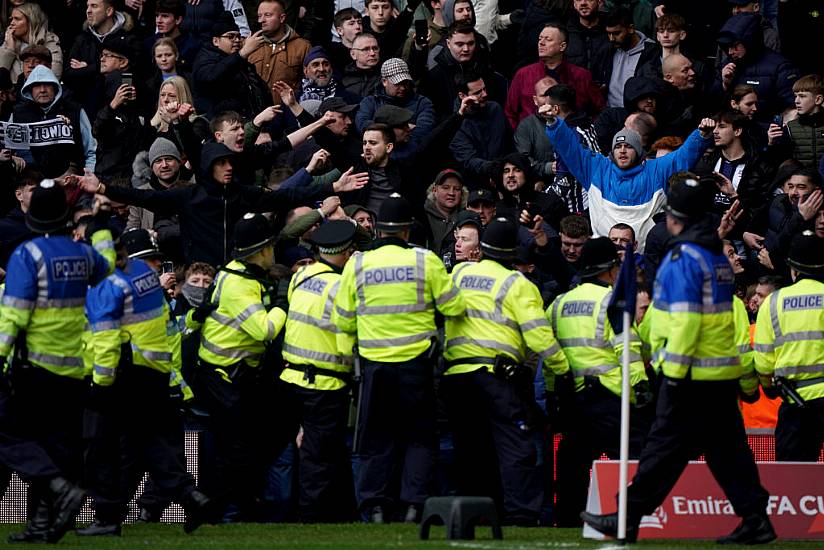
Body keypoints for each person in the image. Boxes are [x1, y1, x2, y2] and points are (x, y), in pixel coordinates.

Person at [581, 175, 774, 545]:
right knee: (727, 452)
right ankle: (755, 518)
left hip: (689, 374)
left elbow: (685, 320)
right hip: (718, 373)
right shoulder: (713, 253)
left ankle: (627, 517)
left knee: (664, 450)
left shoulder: (685, 256)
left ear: (673, 217)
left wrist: (672, 373)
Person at [333, 193, 466, 523]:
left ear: (378, 230)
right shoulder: (426, 261)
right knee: (420, 438)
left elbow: (342, 318)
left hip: (374, 366)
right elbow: (455, 307)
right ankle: (413, 506)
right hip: (416, 364)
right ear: (407, 229)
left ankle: (375, 506)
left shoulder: (358, 263)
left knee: (375, 438)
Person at [0, 180, 115, 543]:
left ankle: (58, 490)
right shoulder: (82, 254)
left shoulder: (26, 255)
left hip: (33, 368)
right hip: (73, 369)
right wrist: (100, 228)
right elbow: (107, 269)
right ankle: (41, 523)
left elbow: (13, 317)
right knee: (53, 446)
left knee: (11, 437)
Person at [80, 228, 211, 536]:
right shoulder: (150, 289)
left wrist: (101, 382)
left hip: (121, 377)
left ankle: (108, 518)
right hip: (155, 378)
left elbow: (107, 339)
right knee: (149, 446)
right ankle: (188, 495)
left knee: (102, 449)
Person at [443, 217, 569, 525]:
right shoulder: (517, 284)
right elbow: (538, 335)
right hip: (496, 378)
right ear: (513, 252)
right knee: (516, 445)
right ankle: (521, 514)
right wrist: (562, 368)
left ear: (482, 249)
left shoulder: (459, 273)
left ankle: (474, 513)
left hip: (456, 376)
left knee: (471, 449)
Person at [191, 212, 288, 521]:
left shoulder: (238, 272)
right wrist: (284, 306)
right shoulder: (239, 286)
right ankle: (224, 513)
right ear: (260, 251)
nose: (274, 250)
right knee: (235, 450)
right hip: (223, 377)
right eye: (270, 245)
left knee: (242, 446)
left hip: (234, 376)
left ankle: (237, 508)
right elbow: (265, 330)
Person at [548, 237, 649, 527]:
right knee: (635, 461)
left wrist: (554, 393)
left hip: (573, 398)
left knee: (573, 465)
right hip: (612, 397)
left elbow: (548, 353)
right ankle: (635, 518)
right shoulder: (611, 301)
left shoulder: (558, 304)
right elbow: (626, 347)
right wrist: (641, 386)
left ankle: (567, 521)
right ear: (610, 270)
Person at [542, 104, 716, 250]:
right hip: (605, 258)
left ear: (639, 151)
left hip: (643, 256)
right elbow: (570, 148)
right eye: (618, 146)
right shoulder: (596, 168)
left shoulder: (657, 169)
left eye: (628, 146)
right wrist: (553, 122)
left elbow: (683, 156)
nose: (623, 150)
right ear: (612, 151)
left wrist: (701, 136)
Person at [278, 220, 358, 522]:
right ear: (347, 253)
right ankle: (312, 517)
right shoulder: (341, 286)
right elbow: (346, 332)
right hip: (324, 384)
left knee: (293, 452)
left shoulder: (302, 275)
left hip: (290, 378)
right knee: (318, 455)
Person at [753, 230, 824, 461]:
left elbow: (763, 362)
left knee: (792, 482)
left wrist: (769, 385)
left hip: (795, 404)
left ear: (793, 270)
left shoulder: (773, 303)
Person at [505, 23, 604, 128]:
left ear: (562, 46)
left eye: (548, 39)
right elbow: (510, 113)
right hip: (532, 139)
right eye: (540, 39)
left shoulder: (581, 76)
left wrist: (586, 132)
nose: (541, 43)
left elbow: (600, 110)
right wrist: (520, 137)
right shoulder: (523, 74)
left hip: (571, 138)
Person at [10, 65, 97, 178]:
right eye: (37, 86)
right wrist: (12, 158)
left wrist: (88, 176)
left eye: (47, 84)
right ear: (29, 89)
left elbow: (91, 150)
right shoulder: (18, 114)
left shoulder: (75, 111)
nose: (42, 90)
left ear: (55, 87)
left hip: (70, 180)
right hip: (30, 180)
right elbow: (6, 148)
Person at [716, 12, 798, 125]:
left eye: (735, 46)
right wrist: (724, 84)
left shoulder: (780, 67)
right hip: (734, 134)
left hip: (766, 133)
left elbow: (793, 107)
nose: (730, 52)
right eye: (727, 47)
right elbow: (712, 105)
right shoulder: (727, 65)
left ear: (749, 41)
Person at [191, 11, 272, 118]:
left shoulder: (238, 60)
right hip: (217, 125)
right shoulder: (204, 59)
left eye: (238, 36)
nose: (237, 40)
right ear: (216, 41)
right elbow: (211, 77)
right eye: (231, 37)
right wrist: (242, 53)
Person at [247, 0, 311, 99]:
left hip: (288, 110)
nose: (261, 20)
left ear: (282, 18)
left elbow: (309, 84)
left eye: (267, 15)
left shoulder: (302, 47)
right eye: (259, 16)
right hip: (257, 113)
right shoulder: (250, 46)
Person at [603, 7, 657, 109]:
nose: (611, 38)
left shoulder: (651, 52)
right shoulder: (609, 50)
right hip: (610, 113)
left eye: (616, 33)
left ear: (631, 28)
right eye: (608, 33)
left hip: (637, 116)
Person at [0, 2, 62, 82]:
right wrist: (9, 50)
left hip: (37, 91)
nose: (12, 23)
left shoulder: (49, 41)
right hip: (13, 92)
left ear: (31, 21)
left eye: (17, 19)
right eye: (11, 19)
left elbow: (54, 75)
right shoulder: (10, 41)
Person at [341, 32, 382, 99]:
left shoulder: (386, 76)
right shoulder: (343, 78)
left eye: (375, 48)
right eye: (366, 49)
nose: (372, 53)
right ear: (353, 54)